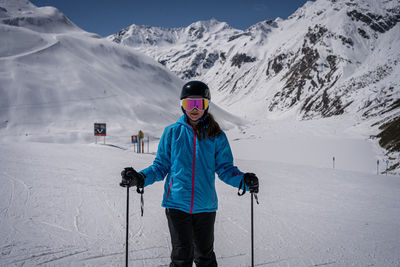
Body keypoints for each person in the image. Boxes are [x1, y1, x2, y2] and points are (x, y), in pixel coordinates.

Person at [121, 81, 259, 267]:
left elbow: (225, 168)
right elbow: (160, 166)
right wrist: (140, 178)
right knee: (181, 256)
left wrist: (243, 180)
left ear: (207, 105)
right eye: (189, 104)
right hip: (176, 204)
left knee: (205, 256)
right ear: (182, 105)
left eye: (199, 104)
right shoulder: (171, 133)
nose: (194, 109)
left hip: (205, 206)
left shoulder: (216, 135)